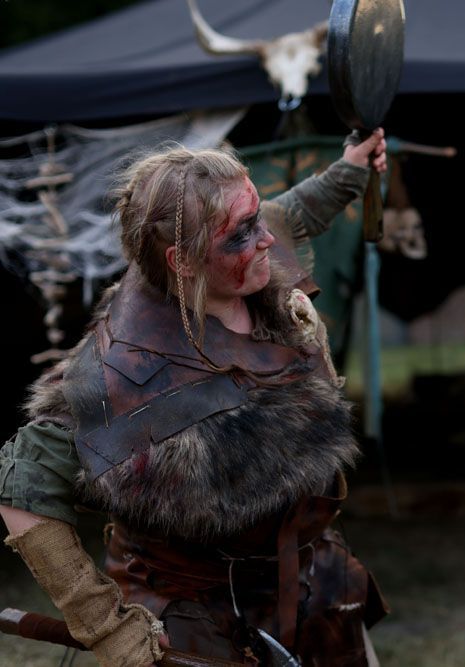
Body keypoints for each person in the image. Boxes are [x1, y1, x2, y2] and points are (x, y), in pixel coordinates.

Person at [0, 130, 390, 666]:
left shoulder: (237, 259)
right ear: (181, 262)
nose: (266, 239)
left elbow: (290, 212)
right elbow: (21, 484)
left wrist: (348, 172)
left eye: (255, 218)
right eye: (242, 232)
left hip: (311, 581)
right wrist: (102, 623)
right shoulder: (126, 372)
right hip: (194, 613)